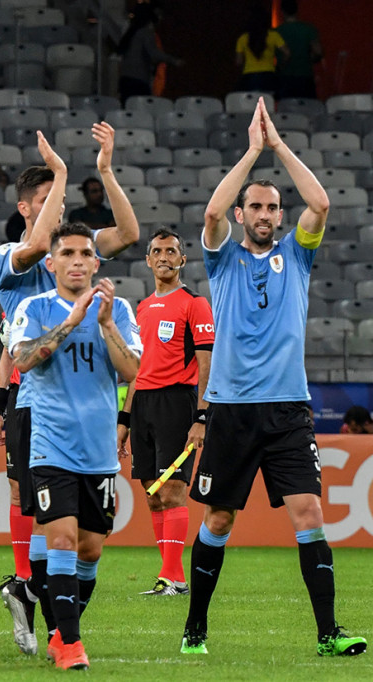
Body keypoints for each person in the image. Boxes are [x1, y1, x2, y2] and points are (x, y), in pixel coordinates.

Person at [181, 99, 366, 658]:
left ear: (280, 217)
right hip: (232, 408)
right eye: (255, 207)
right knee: (219, 517)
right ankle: (195, 628)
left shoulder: (298, 255)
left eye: (271, 208)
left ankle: (329, 633)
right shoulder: (221, 260)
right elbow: (211, 215)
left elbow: (322, 201)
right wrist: (251, 150)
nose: (264, 214)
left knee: (308, 512)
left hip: (288, 408)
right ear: (244, 215)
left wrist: (279, 145)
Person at [0, 125, 139, 655]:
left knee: (83, 543)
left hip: (90, 410)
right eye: (47, 204)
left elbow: (127, 232)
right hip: (34, 399)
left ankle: (30, 596)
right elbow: (39, 246)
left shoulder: (86, 262)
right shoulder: (13, 256)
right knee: (48, 522)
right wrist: (61, 174)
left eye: (84, 253)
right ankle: (62, 634)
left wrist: (103, 170)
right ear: (29, 209)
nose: (78, 257)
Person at [9, 223, 142, 671]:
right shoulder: (35, 307)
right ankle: (69, 643)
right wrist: (70, 322)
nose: (79, 260)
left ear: (96, 262)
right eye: (67, 253)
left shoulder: (118, 309)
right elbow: (23, 359)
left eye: (86, 252)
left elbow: (133, 372)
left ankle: (58, 630)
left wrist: (103, 323)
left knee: (90, 550)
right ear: (51, 263)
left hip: (100, 450)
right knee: (61, 538)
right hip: (51, 444)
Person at [116, 227, 214, 597]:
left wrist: (202, 415)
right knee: (151, 491)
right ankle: (169, 576)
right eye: (157, 251)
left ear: (182, 259)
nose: (164, 257)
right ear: (147, 260)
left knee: (172, 490)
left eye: (171, 251)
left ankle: (173, 577)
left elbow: (206, 364)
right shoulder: (142, 308)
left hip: (177, 402)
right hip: (142, 405)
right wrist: (124, 419)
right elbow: (136, 369)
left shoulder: (194, 304)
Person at [116, 3, 182, 105]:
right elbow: (154, 53)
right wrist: (173, 60)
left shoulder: (132, 33)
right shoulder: (145, 33)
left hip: (125, 80)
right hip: (138, 81)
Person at [236, 3, 288, 92]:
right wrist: (280, 66)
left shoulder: (243, 38)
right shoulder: (273, 35)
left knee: (251, 104)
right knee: (268, 103)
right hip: (268, 76)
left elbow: (239, 61)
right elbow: (287, 53)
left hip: (249, 76)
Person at [275, 0, 322, 99]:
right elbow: (318, 51)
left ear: (282, 12)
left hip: (284, 77)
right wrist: (309, 59)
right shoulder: (308, 29)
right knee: (306, 109)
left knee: (285, 111)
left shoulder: (277, 32)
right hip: (305, 75)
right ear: (297, 11)